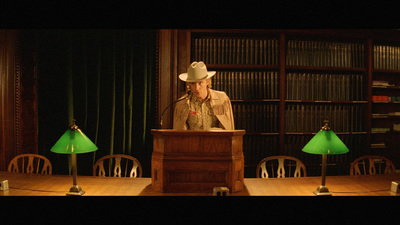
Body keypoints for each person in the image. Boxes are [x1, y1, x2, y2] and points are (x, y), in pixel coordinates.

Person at [173, 61, 235, 130]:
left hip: (216, 140)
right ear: (189, 84)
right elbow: (179, 135)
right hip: (192, 140)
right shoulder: (182, 104)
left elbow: (228, 130)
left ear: (207, 81)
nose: (196, 88)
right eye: (193, 83)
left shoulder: (221, 99)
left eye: (200, 83)